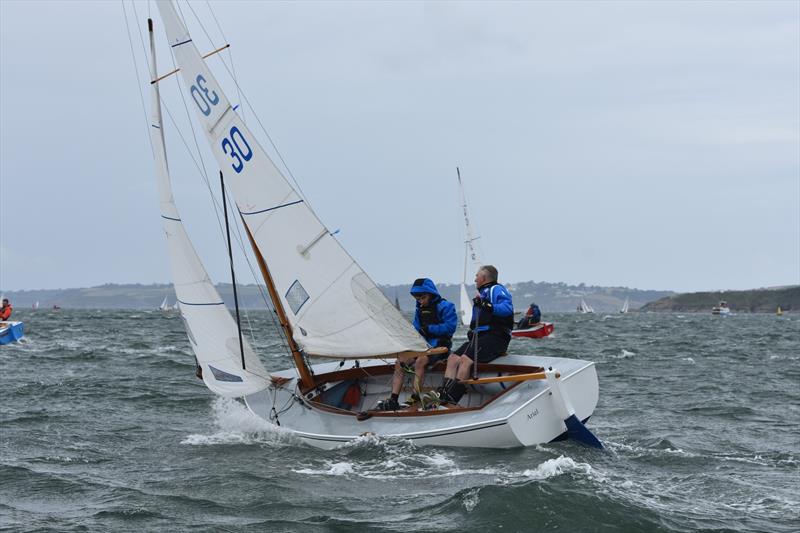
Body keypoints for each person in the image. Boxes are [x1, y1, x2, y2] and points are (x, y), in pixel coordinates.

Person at [377, 278, 457, 411]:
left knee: (421, 360)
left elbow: (450, 328)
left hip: (440, 346)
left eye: (422, 297)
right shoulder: (419, 308)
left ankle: (415, 397)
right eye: (417, 297)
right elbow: (416, 327)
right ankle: (393, 399)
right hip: (422, 346)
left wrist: (429, 329)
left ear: (431, 294)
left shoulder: (446, 306)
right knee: (400, 361)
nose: (420, 300)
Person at [439, 265, 513, 405]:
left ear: (484, 278)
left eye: (476, 276)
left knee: (466, 360)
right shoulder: (483, 293)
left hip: (495, 337)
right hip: (481, 338)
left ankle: (452, 399)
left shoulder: (496, 289)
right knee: (453, 358)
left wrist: (488, 305)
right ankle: (443, 393)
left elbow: (507, 309)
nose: (474, 279)